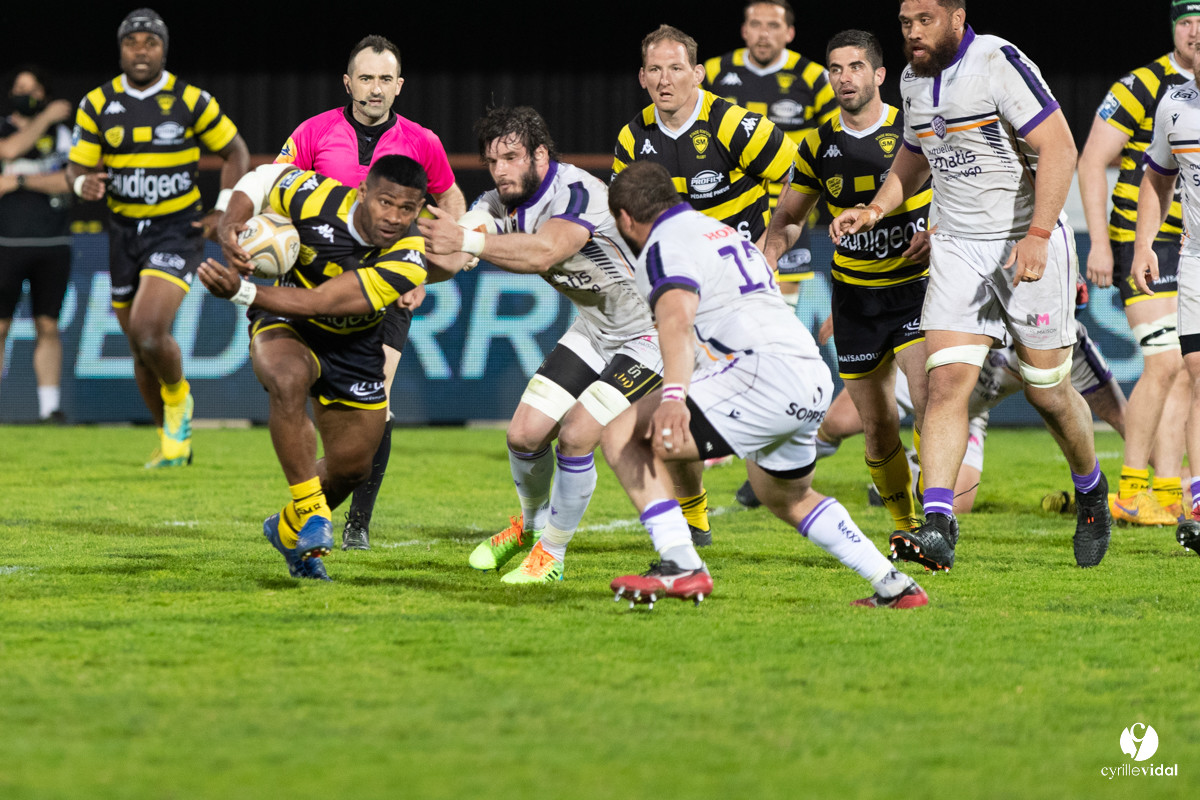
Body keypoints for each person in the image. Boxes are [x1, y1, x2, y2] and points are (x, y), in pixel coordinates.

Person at [830, 0, 1112, 569]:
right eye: (906, 23)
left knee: (1047, 391)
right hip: (956, 244)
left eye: (924, 21)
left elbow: (1059, 146)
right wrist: (880, 207)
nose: (912, 33)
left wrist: (1036, 235)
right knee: (945, 385)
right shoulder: (911, 80)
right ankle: (938, 523)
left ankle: (1092, 492)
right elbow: (915, 152)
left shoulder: (997, 61)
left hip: (1024, 240)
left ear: (957, 18)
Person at [601, 160, 928, 609]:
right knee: (785, 494)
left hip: (761, 374)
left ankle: (680, 562)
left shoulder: (662, 244)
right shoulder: (721, 232)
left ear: (624, 219)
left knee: (621, 432)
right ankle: (894, 585)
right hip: (809, 375)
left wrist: (675, 396)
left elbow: (676, 320)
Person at [420, 106, 706, 584]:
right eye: (493, 162)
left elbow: (545, 252)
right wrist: (403, 270)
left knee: (577, 433)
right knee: (523, 435)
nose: (501, 171)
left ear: (540, 154)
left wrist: (466, 244)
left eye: (512, 158)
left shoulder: (576, 192)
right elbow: (457, 250)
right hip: (594, 329)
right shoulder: (496, 202)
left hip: (648, 333)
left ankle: (550, 554)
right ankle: (530, 527)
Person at [199, 155, 443, 581]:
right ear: (363, 192)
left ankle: (288, 527)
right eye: (386, 202)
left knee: (353, 467)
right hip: (287, 323)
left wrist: (242, 292)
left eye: (408, 208)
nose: (395, 217)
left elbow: (324, 302)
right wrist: (227, 226)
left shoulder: (409, 255)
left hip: (354, 344)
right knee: (286, 378)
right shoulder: (317, 197)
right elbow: (262, 178)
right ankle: (313, 514)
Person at [275, 34, 466, 551]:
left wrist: (428, 264)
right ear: (348, 83)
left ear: (399, 85)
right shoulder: (313, 133)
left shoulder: (422, 141)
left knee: (375, 406)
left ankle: (355, 522)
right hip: (317, 286)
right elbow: (275, 189)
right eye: (366, 78)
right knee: (297, 392)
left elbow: (450, 197)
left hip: (386, 290)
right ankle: (303, 514)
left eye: (385, 79)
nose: (375, 88)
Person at [739, 30, 932, 539]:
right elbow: (788, 217)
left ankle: (937, 523)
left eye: (855, 67)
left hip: (917, 288)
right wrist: (770, 254)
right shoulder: (818, 142)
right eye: (836, 69)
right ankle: (904, 526)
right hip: (855, 299)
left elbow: (962, 194)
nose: (844, 78)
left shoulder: (914, 129)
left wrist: (937, 232)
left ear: (879, 75)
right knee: (878, 428)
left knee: (932, 407)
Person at [66, 8, 250, 467]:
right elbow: (77, 164)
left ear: (163, 48)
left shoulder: (190, 100)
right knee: (139, 349)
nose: (141, 49)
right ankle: (175, 442)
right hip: (124, 233)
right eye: (132, 42)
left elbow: (235, 150)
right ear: (121, 49)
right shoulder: (97, 103)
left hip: (176, 230)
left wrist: (223, 210)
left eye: (150, 41)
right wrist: (79, 184)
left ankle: (179, 397)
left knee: (150, 332)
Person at [1076, 1, 1200, 527]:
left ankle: (1170, 490)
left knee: (1186, 372)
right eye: (1186, 22)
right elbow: (1090, 160)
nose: (1195, 31)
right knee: (1165, 364)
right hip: (1143, 241)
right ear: (1173, 28)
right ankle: (1130, 486)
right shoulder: (1144, 86)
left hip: (1188, 240)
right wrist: (1101, 245)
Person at [812, 319, 1127, 515]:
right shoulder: (984, 294)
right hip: (917, 381)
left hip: (968, 413)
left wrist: (1161, 472)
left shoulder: (1069, 342)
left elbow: (1119, 414)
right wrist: (852, 313)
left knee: (956, 503)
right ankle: (783, 468)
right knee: (836, 423)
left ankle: (909, 468)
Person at [612, 24, 798, 246]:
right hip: (678, 272)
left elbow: (802, 176)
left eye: (676, 68)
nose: (664, 80)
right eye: (654, 69)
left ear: (697, 74)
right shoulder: (632, 136)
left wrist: (769, 251)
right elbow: (622, 211)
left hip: (742, 272)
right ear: (643, 77)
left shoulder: (734, 124)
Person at [703, 0, 837, 301]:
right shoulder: (713, 72)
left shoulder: (814, 77)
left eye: (773, 26)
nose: (764, 34)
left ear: (789, 32)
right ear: (744, 31)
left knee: (781, 293)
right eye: (756, 25)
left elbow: (837, 140)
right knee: (723, 292)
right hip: (727, 203)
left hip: (788, 204)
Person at [1130, 69, 1200, 558]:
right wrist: (1143, 245)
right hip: (1195, 257)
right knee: (1196, 371)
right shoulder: (1174, 106)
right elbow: (1157, 178)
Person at [0, 66, 73, 422]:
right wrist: (45, 116)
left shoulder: (64, 135)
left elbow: (69, 182)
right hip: (5, 242)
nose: (22, 93)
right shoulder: (5, 126)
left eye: (29, 88)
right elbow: (10, 149)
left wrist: (20, 180)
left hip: (53, 243)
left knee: (48, 325)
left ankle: (49, 409)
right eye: (17, 87)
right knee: (0, 327)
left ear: (43, 91)